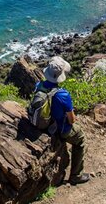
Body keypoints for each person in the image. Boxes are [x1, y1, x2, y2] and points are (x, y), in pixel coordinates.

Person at [38, 56, 90, 185]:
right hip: (60, 130)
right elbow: (71, 120)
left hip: (44, 124)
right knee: (81, 140)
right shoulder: (63, 95)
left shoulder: (38, 85)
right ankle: (76, 175)